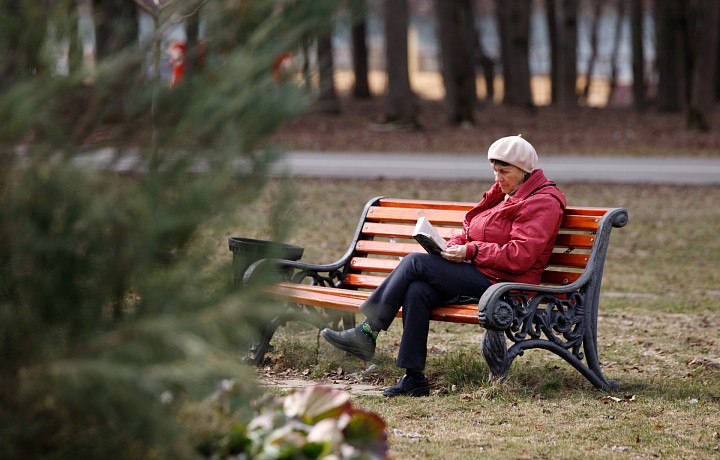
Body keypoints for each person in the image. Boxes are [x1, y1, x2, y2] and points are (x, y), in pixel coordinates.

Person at [321, 135, 567, 397]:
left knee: (414, 262)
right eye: (495, 170)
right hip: (483, 273)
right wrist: (452, 245)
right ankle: (414, 378)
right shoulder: (505, 194)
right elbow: (472, 228)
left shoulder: (542, 201)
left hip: (507, 285)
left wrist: (470, 250)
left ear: (524, 170)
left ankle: (367, 332)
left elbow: (521, 256)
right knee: (417, 289)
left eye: (504, 171)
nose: (498, 178)